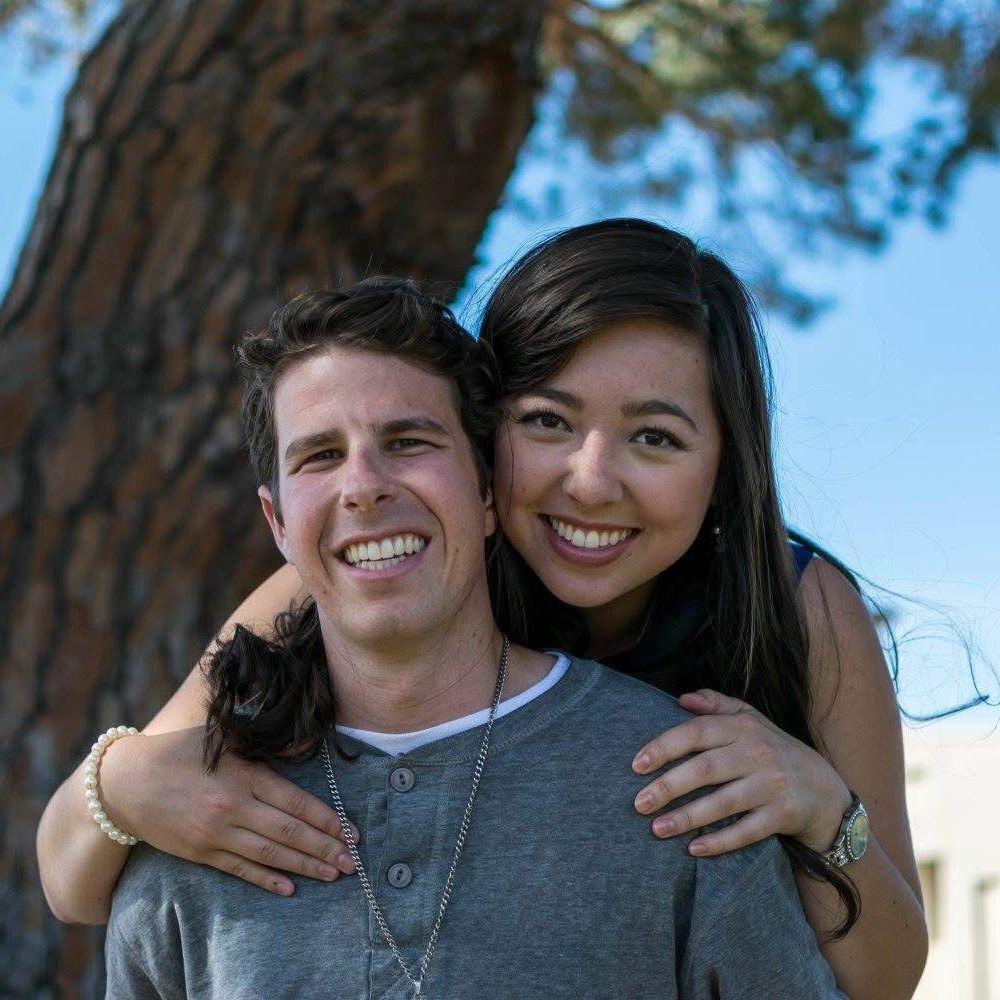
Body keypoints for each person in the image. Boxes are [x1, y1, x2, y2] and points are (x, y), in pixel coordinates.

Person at [37, 221, 927, 998]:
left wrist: (822, 808)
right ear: (487, 443)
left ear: (725, 467)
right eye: (548, 421)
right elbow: (74, 878)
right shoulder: (357, 575)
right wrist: (122, 782)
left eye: (655, 437)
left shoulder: (801, 608)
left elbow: (886, 980)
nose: (591, 481)